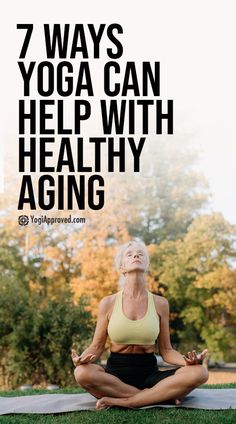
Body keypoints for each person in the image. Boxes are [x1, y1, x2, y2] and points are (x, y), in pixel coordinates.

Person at [71, 240, 208, 410]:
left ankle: (127, 401)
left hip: (150, 374)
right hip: (115, 376)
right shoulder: (108, 302)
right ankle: (158, 396)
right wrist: (81, 359)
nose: (136, 255)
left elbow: (166, 351)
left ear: (147, 265)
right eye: (129, 254)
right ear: (122, 267)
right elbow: (96, 346)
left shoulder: (160, 303)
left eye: (140, 254)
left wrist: (187, 362)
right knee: (82, 373)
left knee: (200, 372)